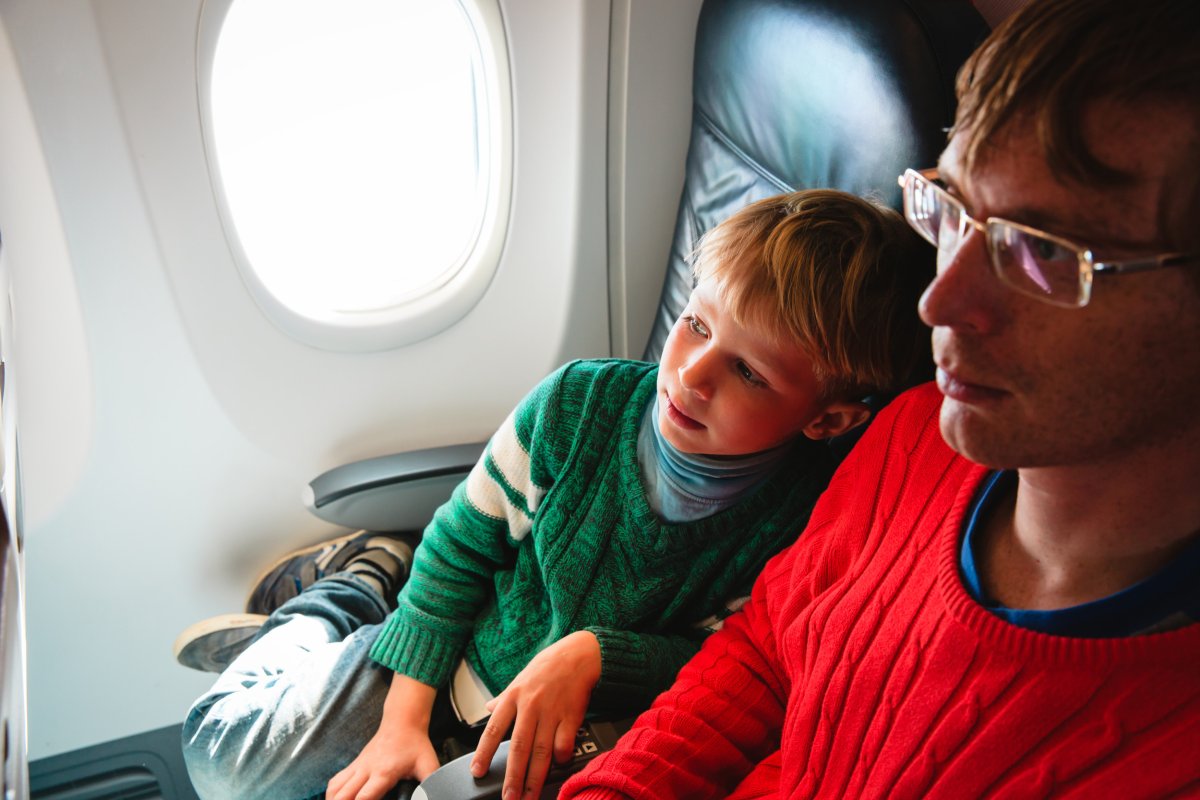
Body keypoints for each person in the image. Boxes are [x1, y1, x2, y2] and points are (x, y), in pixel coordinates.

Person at [560, 0, 1200, 797]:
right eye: (952, 214)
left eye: (1039, 254)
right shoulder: (911, 439)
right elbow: (767, 650)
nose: (941, 302)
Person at [176, 189, 932, 800]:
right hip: (452, 642)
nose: (693, 373)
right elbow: (456, 554)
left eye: (749, 374)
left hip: (565, 725)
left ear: (827, 419)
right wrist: (401, 721)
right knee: (222, 761)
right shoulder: (578, 408)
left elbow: (728, 659)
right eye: (695, 324)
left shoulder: (806, 521)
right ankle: (350, 592)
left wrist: (599, 654)